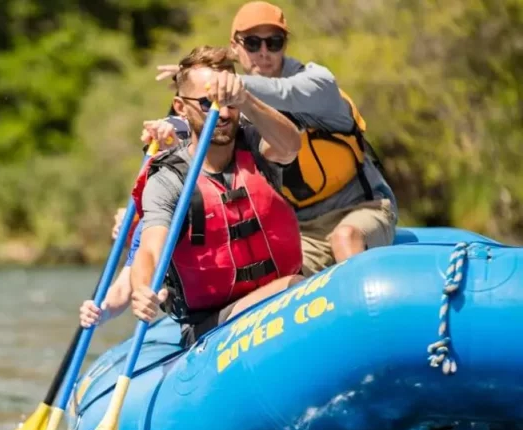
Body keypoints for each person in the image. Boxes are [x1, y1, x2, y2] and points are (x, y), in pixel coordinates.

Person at [153, 2, 398, 276]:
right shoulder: (234, 107)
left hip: (362, 208)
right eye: (253, 43)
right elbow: (199, 130)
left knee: (345, 238)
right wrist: (174, 117)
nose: (264, 53)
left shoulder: (318, 83)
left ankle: (366, 315)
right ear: (235, 47)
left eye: (274, 42)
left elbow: (283, 93)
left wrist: (219, 82)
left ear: (285, 44)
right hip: (303, 228)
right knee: (275, 279)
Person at [125, 46, 305, 344]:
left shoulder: (257, 144)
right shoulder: (170, 179)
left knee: (295, 286)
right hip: (211, 326)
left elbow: (291, 146)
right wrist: (142, 288)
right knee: (294, 287)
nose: (222, 113)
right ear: (181, 108)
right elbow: (150, 249)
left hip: (280, 299)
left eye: (228, 102)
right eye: (208, 102)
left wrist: (245, 99)